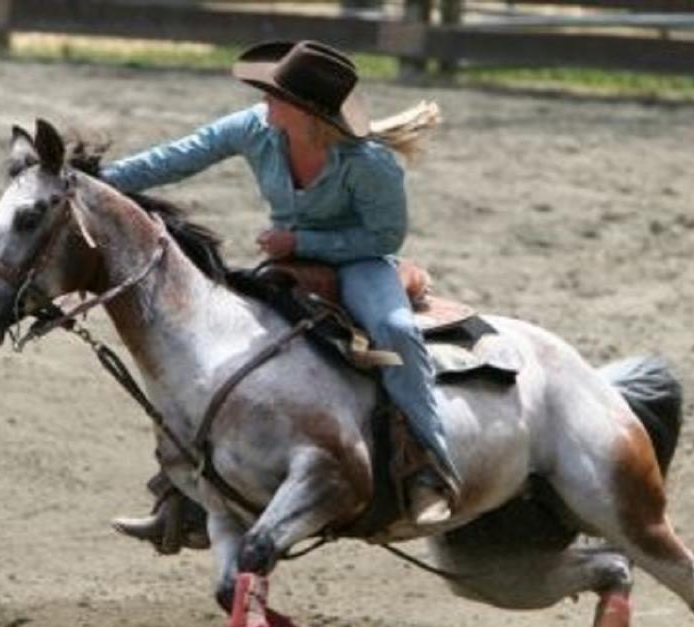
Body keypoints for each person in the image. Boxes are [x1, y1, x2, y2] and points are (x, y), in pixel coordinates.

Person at [103, 39, 460, 545]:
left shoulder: (369, 164)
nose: (264, 103)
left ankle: (429, 470)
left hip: (358, 262)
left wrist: (302, 241)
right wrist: (96, 181)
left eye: (274, 96)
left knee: (396, 330)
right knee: (210, 349)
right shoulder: (255, 129)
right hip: (289, 262)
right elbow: (180, 156)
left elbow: (385, 238)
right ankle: (181, 496)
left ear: (305, 111)